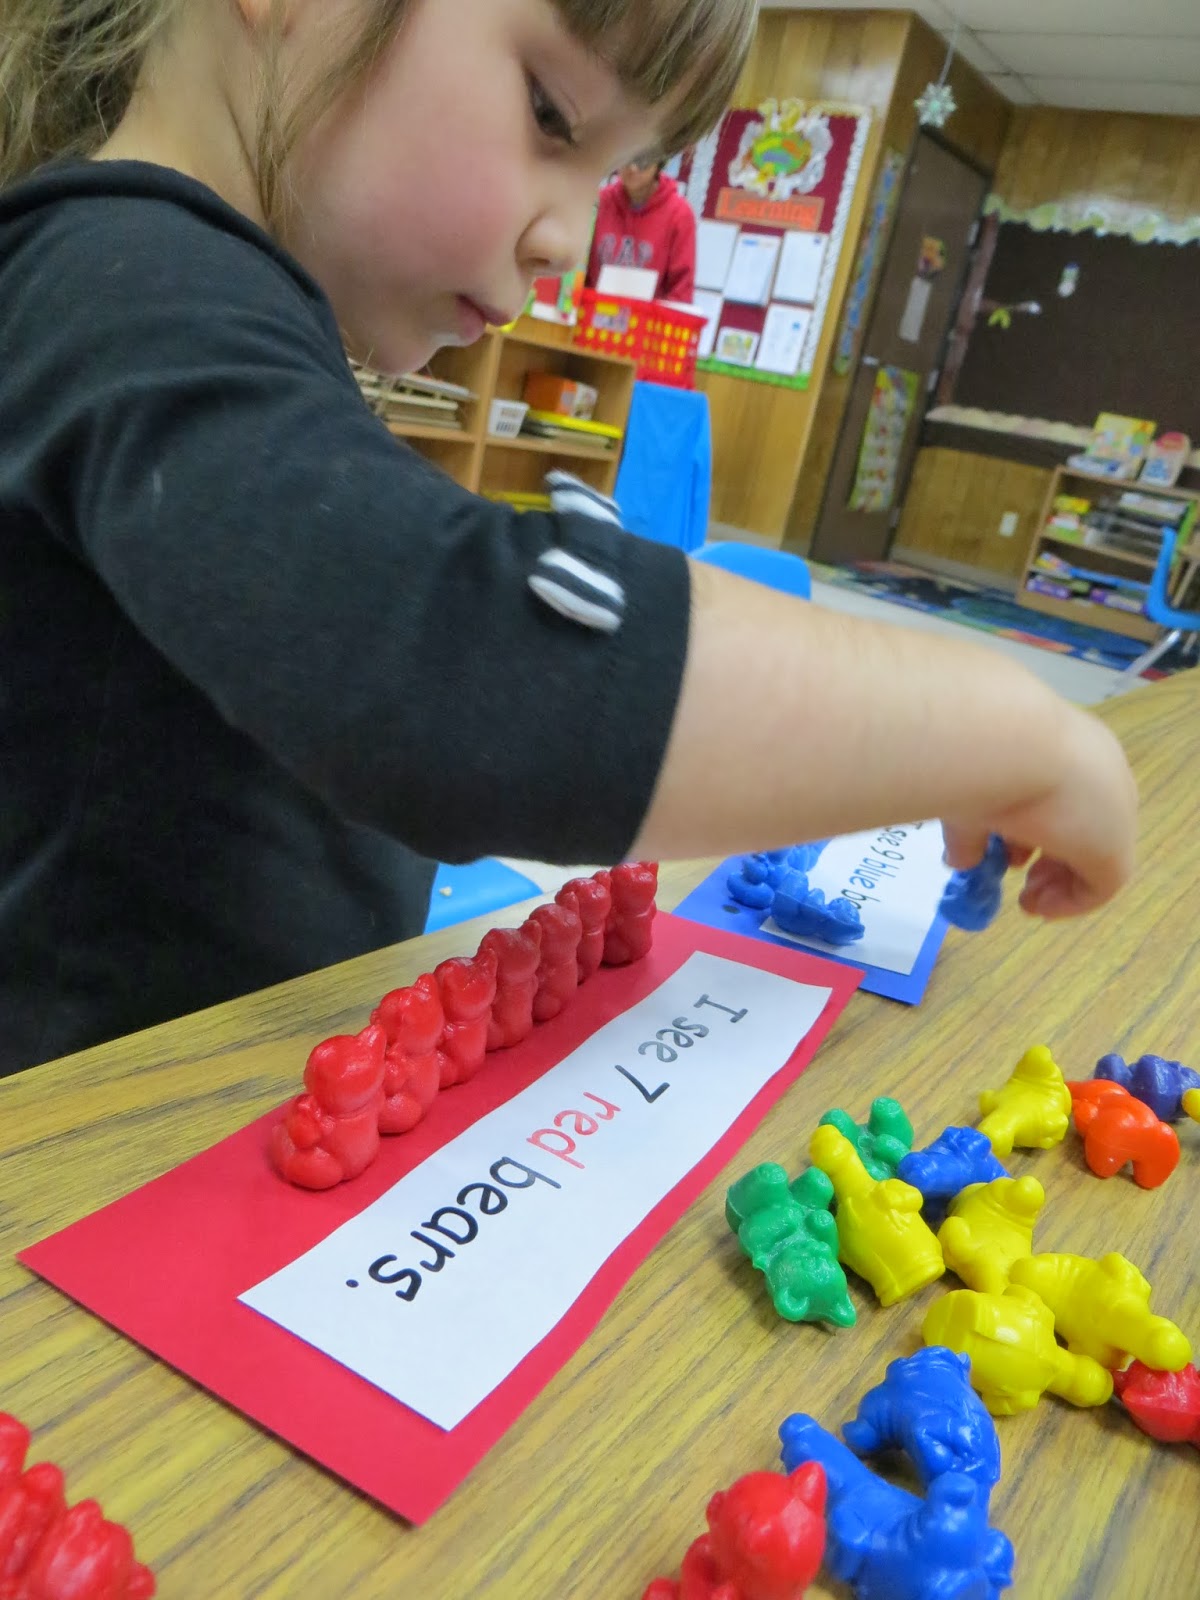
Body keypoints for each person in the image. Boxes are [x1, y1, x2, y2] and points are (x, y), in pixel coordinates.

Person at [0, 0, 1137, 1077]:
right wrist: (1004, 728)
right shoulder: (123, 283)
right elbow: (452, 672)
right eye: (551, 114)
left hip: (237, 1101)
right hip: (79, 1160)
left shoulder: (198, 296)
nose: (574, 243)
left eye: (609, 175)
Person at [586, 152, 697, 301]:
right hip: (592, 309)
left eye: (643, 162)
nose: (633, 168)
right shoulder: (599, 202)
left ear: (659, 163)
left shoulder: (679, 214)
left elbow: (681, 288)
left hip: (650, 314)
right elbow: (578, 269)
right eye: (627, 159)